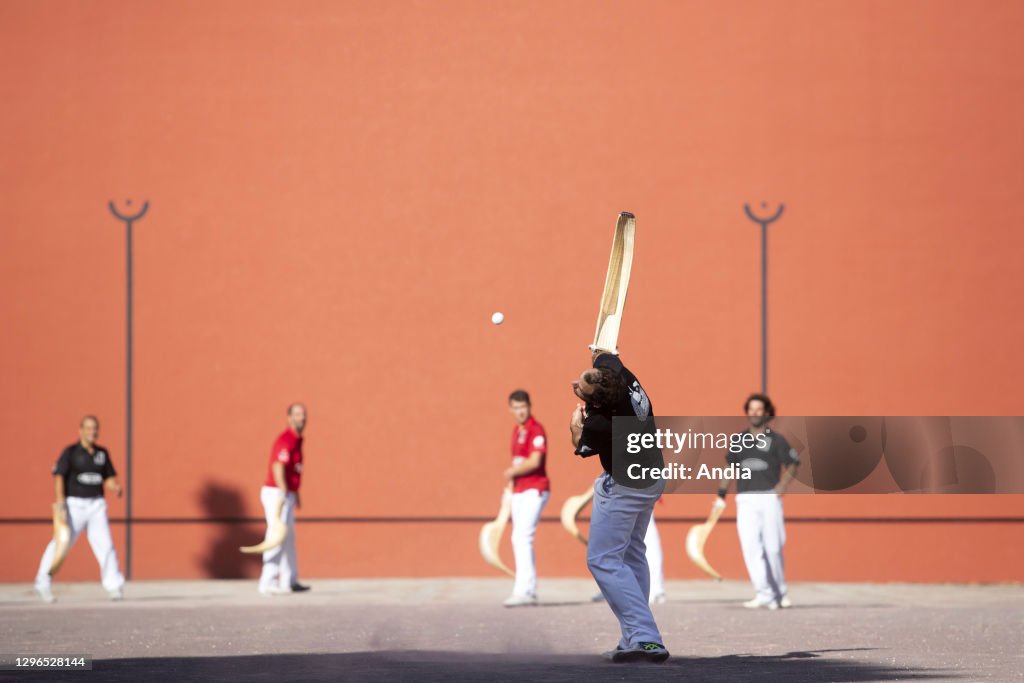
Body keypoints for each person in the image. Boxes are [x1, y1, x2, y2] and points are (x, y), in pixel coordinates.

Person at [569, 350, 669, 663]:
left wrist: (575, 427)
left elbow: (580, 444)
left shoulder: (599, 423)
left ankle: (647, 637)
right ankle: (633, 637)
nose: (576, 386)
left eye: (583, 392)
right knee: (631, 553)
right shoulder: (619, 373)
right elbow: (604, 354)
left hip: (625, 485)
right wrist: (597, 352)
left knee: (601, 558)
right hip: (651, 474)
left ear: (596, 403)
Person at [718, 393, 799, 609]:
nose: (754, 413)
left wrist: (782, 486)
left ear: (766, 412)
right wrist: (721, 493)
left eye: (759, 409)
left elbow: (793, 462)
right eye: (751, 409)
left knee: (773, 547)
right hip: (745, 499)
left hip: (769, 498)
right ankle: (763, 593)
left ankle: (780, 592)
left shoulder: (777, 439)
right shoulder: (738, 439)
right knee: (751, 547)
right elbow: (731, 467)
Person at [34, 415, 126, 603]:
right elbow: (59, 476)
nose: (92, 432)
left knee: (106, 545)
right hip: (74, 505)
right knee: (61, 544)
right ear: (81, 430)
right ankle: (43, 583)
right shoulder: (71, 452)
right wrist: (60, 503)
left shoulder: (102, 453)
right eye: (89, 428)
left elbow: (108, 478)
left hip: (97, 505)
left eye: (95, 428)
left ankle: (114, 586)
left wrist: (115, 487)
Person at [502, 390, 550, 607]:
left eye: (524, 407)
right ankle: (524, 589)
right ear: (510, 409)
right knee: (517, 537)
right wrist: (511, 484)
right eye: (516, 407)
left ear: (530, 406)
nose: (521, 411)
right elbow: (518, 459)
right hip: (520, 491)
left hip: (536, 489)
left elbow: (534, 461)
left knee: (522, 536)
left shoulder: (536, 430)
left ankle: (526, 591)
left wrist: (512, 472)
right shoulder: (514, 430)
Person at [258, 403, 310, 596]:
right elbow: (278, 466)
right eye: (297, 414)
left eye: (303, 415)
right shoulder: (286, 439)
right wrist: (283, 493)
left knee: (288, 538)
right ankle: (267, 582)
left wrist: (295, 494)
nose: (301, 418)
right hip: (276, 493)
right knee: (276, 535)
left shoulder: (298, 440)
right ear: (289, 417)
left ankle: (289, 581)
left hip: (287, 493)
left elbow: (292, 470)